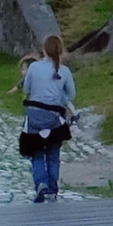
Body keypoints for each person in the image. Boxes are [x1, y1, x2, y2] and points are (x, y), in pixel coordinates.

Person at [23, 34, 78, 202]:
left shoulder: (33, 68)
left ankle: (41, 183)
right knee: (53, 155)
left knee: (37, 153)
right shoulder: (64, 71)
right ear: (60, 51)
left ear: (44, 50)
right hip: (55, 118)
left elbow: (26, 89)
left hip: (35, 117)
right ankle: (53, 189)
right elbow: (71, 94)